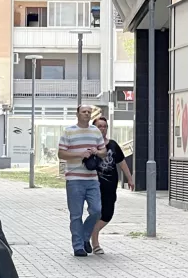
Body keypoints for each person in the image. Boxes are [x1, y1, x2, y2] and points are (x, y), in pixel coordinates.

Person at [57, 106, 106, 257]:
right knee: (76, 215)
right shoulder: (69, 131)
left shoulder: (95, 131)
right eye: (84, 112)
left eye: (89, 112)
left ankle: (85, 236)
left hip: (92, 179)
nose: (87, 114)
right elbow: (61, 153)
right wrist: (80, 154)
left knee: (97, 210)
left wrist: (97, 152)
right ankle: (78, 246)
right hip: (74, 179)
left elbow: (104, 152)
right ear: (77, 114)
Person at [89, 117, 134, 254]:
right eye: (99, 126)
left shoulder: (113, 145)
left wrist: (130, 178)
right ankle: (95, 243)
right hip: (94, 186)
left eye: (104, 126)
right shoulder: (90, 145)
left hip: (110, 186)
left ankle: (89, 233)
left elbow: (122, 162)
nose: (102, 129)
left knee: (107, 214)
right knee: (96, 213)